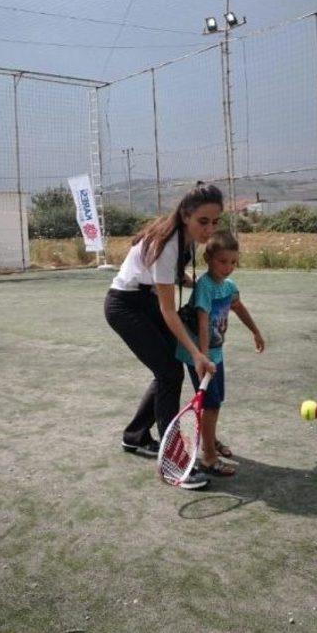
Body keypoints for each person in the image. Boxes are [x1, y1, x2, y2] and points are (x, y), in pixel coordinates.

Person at [104, 183, 223, 489]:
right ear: (186, 215)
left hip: (144, 299)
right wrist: (197, 354)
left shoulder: (186, 237)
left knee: (166, 370)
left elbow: (161, 277)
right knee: (169, 371)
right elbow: (169, 311)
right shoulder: (170, 243)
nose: (209, 229)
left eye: (215, 221)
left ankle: (136, 437)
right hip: (125, 305)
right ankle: (174, 462)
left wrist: (182, 277)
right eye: (203, 221)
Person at [176, 230, 265, 475]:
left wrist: (255, 332)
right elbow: (203, 322)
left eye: (233, 262)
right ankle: (208, 457)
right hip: (201, 355)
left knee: (215, 403)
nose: (228, 267)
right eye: (222, 261)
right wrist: (202, 358)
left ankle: (210, 439)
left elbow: (238, 307)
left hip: (215, 354)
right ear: (209, 259)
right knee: (211, 405)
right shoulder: (204, 286)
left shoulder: (229, 286)